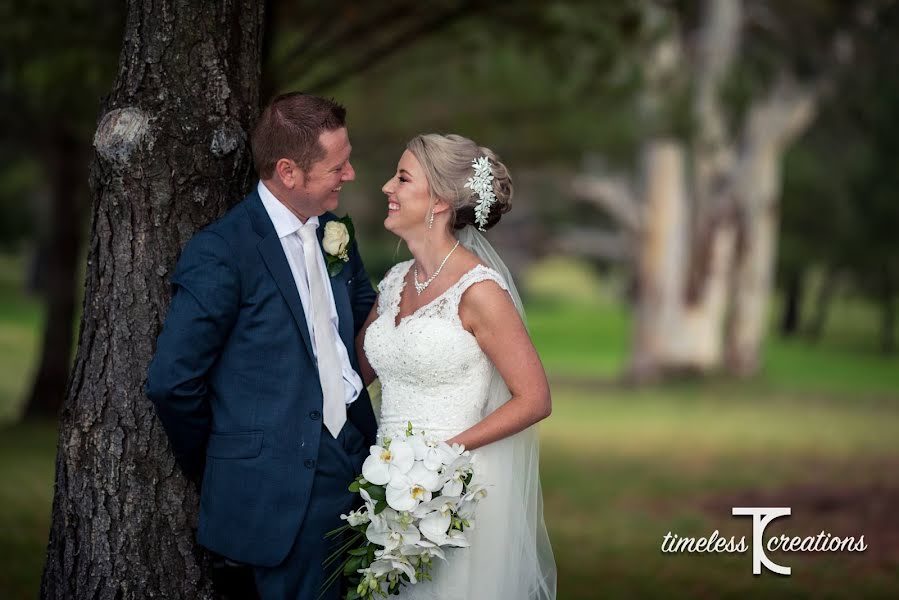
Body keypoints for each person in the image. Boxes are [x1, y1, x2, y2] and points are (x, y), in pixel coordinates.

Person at [145, 92, 378, 600]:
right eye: (337, 165)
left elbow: (368, 328)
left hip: (359, 460)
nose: (351, 174)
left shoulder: (337, 233)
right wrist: (230, 456)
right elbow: (172, 381)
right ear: (288, 172)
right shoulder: (223, 251)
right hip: (274, 489)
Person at [357, 133, 557, 599]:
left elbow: (535, 398)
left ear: (441, 201)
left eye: (403, 178)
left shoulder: (479, 291)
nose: (388, 187)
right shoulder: (392, 283)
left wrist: (440, 459)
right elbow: (353, 373)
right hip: (386, 489)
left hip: (454, 492)